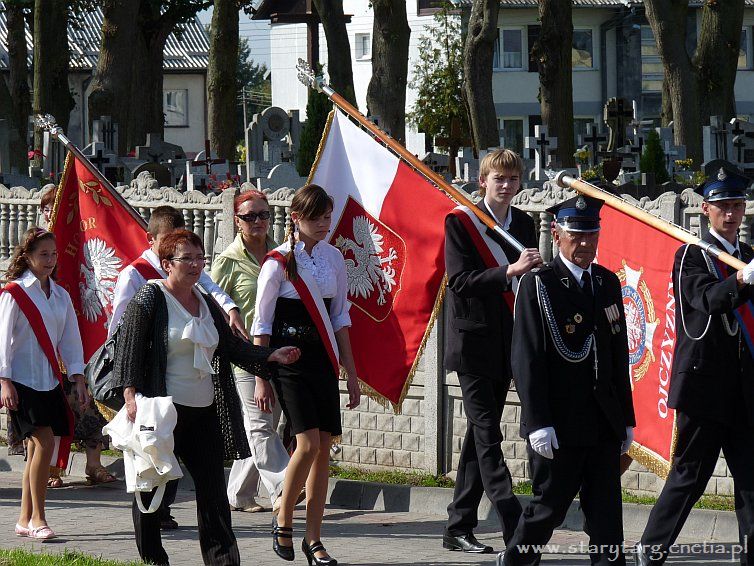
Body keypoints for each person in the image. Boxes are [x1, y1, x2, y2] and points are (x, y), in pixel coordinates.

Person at [112, 229, 300, 566]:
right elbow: (129, 348)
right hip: (163, 412)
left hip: (204, 411)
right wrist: (130, 396)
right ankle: (153, 557)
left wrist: (271, 356)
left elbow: (230, 347)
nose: (197, 265)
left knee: (213, 493)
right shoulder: (150, 297)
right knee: (152, 488)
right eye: (187, 259)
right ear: (167, 263)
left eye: (200, 259)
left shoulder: (205, 300)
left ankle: (223, 561)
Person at [499, 195, 636, 566]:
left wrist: (626, 417)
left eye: (592, 233)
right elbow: (526, 358)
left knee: (607, 516)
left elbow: (617, 354)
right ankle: (515, 561)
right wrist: (538, 422)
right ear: (557, 234)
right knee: (548, 509)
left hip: (602, 420)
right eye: (576, 234)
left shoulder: (606, 283)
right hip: (559, 421)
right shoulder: (540, 284)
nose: (585, 242)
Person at [635, 169, 754, 566]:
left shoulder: (748, 256)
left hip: (744, 390)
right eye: (722, 207)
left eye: (736, 206)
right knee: (689, 477)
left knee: (752, 479)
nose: (731, 214)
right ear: (706, 210)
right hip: (705, 387)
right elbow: (707, 300)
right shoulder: (693, 254)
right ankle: (650, 549)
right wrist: (741, 279)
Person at [109, 204, 247, 529]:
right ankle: (152, 537)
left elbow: (213, 292)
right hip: (157, 388)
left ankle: (174, 519)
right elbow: (121, 329)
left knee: (198, 474)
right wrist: (130, 388)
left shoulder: (193, 278)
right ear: (154, 242)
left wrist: (232, 309)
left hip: (197, 397)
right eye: (168, 242)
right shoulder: (137, 277)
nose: (191, 262)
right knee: (156, 464)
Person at [253, 184, 361, 565]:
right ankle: (283, 515)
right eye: (316, 217)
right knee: (308, 444)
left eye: (328, 216)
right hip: (287, 361)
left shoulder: (334, 258)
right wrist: (262, 376)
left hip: (323, 360)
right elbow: (261, 324)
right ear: (296, 218)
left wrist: (350, 369)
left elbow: (340, 317)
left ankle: (314, 539)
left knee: (324, 450)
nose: (323, 224)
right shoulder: (277, 262)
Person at [442, 149, 541, 553]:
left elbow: (529, 285)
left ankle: (457, 525)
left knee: (476, 441)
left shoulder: (524, 223)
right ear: (483, 181)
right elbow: (459, 281)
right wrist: (509, 272)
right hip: (472, 343)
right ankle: (514, 524)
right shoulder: (461, 221)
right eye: (498, 179)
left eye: (512, 179)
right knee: (487, 434)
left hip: (509, 341)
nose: (506, 185)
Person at [212, 190, 303, 513]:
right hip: (247, 357)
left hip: (281, 351)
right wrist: (232, 312)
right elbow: (213, 302)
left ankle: (238, 493)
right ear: (237, 221)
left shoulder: (282, 255)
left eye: (263, 215)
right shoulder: (228, 261)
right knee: (261, 426)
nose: (258, 222)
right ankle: (284, 485)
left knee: (264, 426)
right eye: (250, 216)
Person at [0, 228, 90, 540]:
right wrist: (4, 381)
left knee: (38, 449)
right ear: (27, 256)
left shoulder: (60, 294)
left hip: (49, 380)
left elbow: (70, 340)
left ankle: (25, 518)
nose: (50, 260)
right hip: (21, 381)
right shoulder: (14, 293)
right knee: (44, 444)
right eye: (43, 254)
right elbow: (2, 341)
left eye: (53, 254)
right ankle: (38, 517)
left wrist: (77, 377)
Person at [37, 186, 116, 488]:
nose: (50, 210)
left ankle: (94, 465)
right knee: (57, 409)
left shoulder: (78, 238)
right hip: (47, 342)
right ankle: (53, 468)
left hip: (82, 331)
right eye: (46, 206)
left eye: (54, 204)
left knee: (89, 405)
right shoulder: (36, 245)